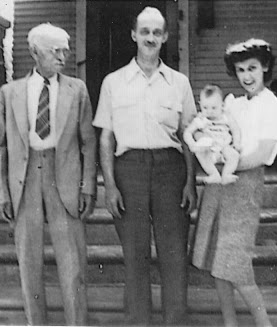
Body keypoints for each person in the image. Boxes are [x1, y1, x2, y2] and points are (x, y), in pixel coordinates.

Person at [92, 7, 197, 326]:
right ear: (134, 35)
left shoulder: (179, 83)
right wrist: (109, 185)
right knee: (135, 258)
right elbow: (106, 139)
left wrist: (190, 182)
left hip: (170, 170)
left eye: (157, 32)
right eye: (145, 31)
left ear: (165, 37)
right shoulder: (114, 82)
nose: (150, 38)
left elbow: (190, 136)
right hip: (129, 171)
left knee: (174, 257)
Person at [0, 23, 97, 326]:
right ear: (35, 52)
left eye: (66, 50)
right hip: (24, 179)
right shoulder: (10, 93)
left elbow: (88, 142)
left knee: (73, 262)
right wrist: (0, 192)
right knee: (29, 262)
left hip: (64, 175)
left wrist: (88, 187)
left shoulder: (77, 90)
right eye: (56, 51)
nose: (63, 56)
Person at [192, 38, 277, 327]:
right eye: (241, 70)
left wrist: (225, 164)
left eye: (252, 68)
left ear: (265, 67)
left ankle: (264, 324)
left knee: (237, 264)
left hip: (244, 186)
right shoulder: (231, 104)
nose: (246, 76)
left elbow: (261, 154)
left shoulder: (274, 105)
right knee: (217, 262)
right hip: (218, 186)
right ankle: (229, 323)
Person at [184, 84, 242, 185]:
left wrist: (236, 143)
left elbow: (235, 129)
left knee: (234, 155)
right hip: (209, 148)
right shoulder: (201, 119)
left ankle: (227, 174)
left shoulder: (226, 117)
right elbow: (187, 132)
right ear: (200, 104)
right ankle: (214, 174)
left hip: (224, 146)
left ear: (222, 105)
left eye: (214, 108)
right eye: (205, 107)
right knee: (200, 154)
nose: (209, 111)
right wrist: (192, 144)